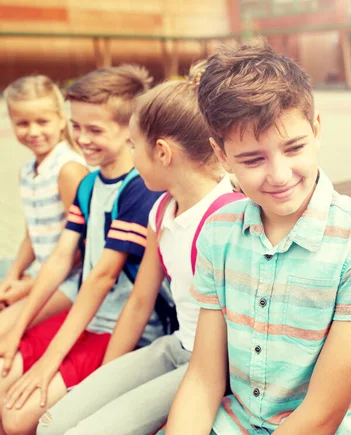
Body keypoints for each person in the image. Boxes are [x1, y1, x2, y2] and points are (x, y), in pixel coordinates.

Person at [166, 43, 351, 434]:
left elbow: (323, 416)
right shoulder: (218, 231)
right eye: (252, 159)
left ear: (316, 129)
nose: (279, 175)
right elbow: (204, 378)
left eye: (293, 148)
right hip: (235, 422)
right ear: (221, 155)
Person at [38, 65, 243, 435]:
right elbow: (139, 302)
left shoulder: (225, 217)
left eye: (134, 146)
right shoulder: (162, 209)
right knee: (53, 425)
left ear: (162, 152)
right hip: (176, 346)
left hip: (214, 365)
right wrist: (105, 385)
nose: (130, 157)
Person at [0, 65, 162, 434]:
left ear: (130, 130)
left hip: (118, 329)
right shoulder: (89, 184)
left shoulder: (139, 188)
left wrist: (48, 363)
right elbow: (60, 258)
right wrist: (18, 327)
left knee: (17, 417)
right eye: (76, 127)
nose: (82, 139)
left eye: (95, 130)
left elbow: (102, 277)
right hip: (85, 316)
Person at [0, 75, 87, 332]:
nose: (33, 131)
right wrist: (12, 276)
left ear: (62, 120)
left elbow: (83, 246)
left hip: (69, 281)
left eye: (43, 121)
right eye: (23, 123)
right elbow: (33, 232)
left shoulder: (69, 169)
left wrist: (28, 286)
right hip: (43, 276)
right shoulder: (28, 171)